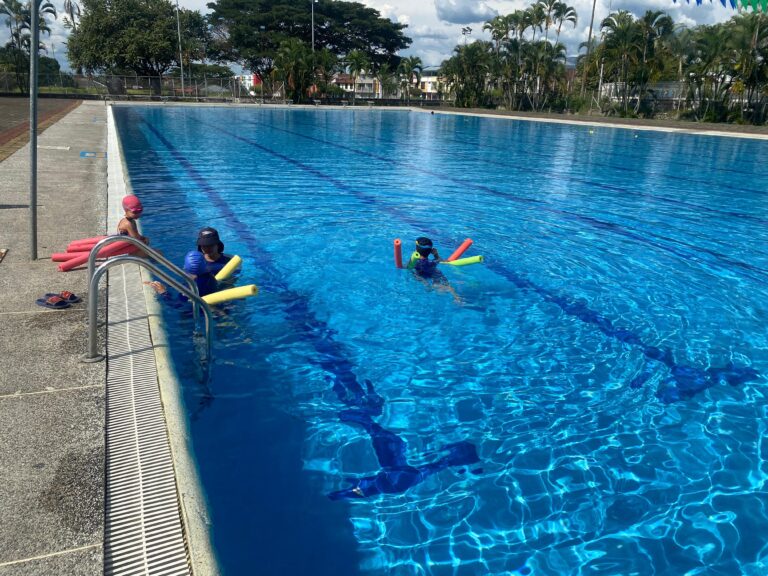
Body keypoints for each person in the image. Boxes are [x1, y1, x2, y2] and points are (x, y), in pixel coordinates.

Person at [146, 251, 218, 302]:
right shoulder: (210, 276)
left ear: (185, 268)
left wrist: (163, 293)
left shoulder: (190, 289)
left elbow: (176, 305)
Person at [407, 236, 462, 303]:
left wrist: (425, 283)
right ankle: (456, 297)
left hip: (423, 275)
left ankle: (447, 291)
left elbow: (409, 268)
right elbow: (442, 261)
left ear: (416, 249)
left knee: (417, 275)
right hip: (435, 272)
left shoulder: (416, 262)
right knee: (447, 285)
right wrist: (436, 254)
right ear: (430, 251)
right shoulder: (432, 262)